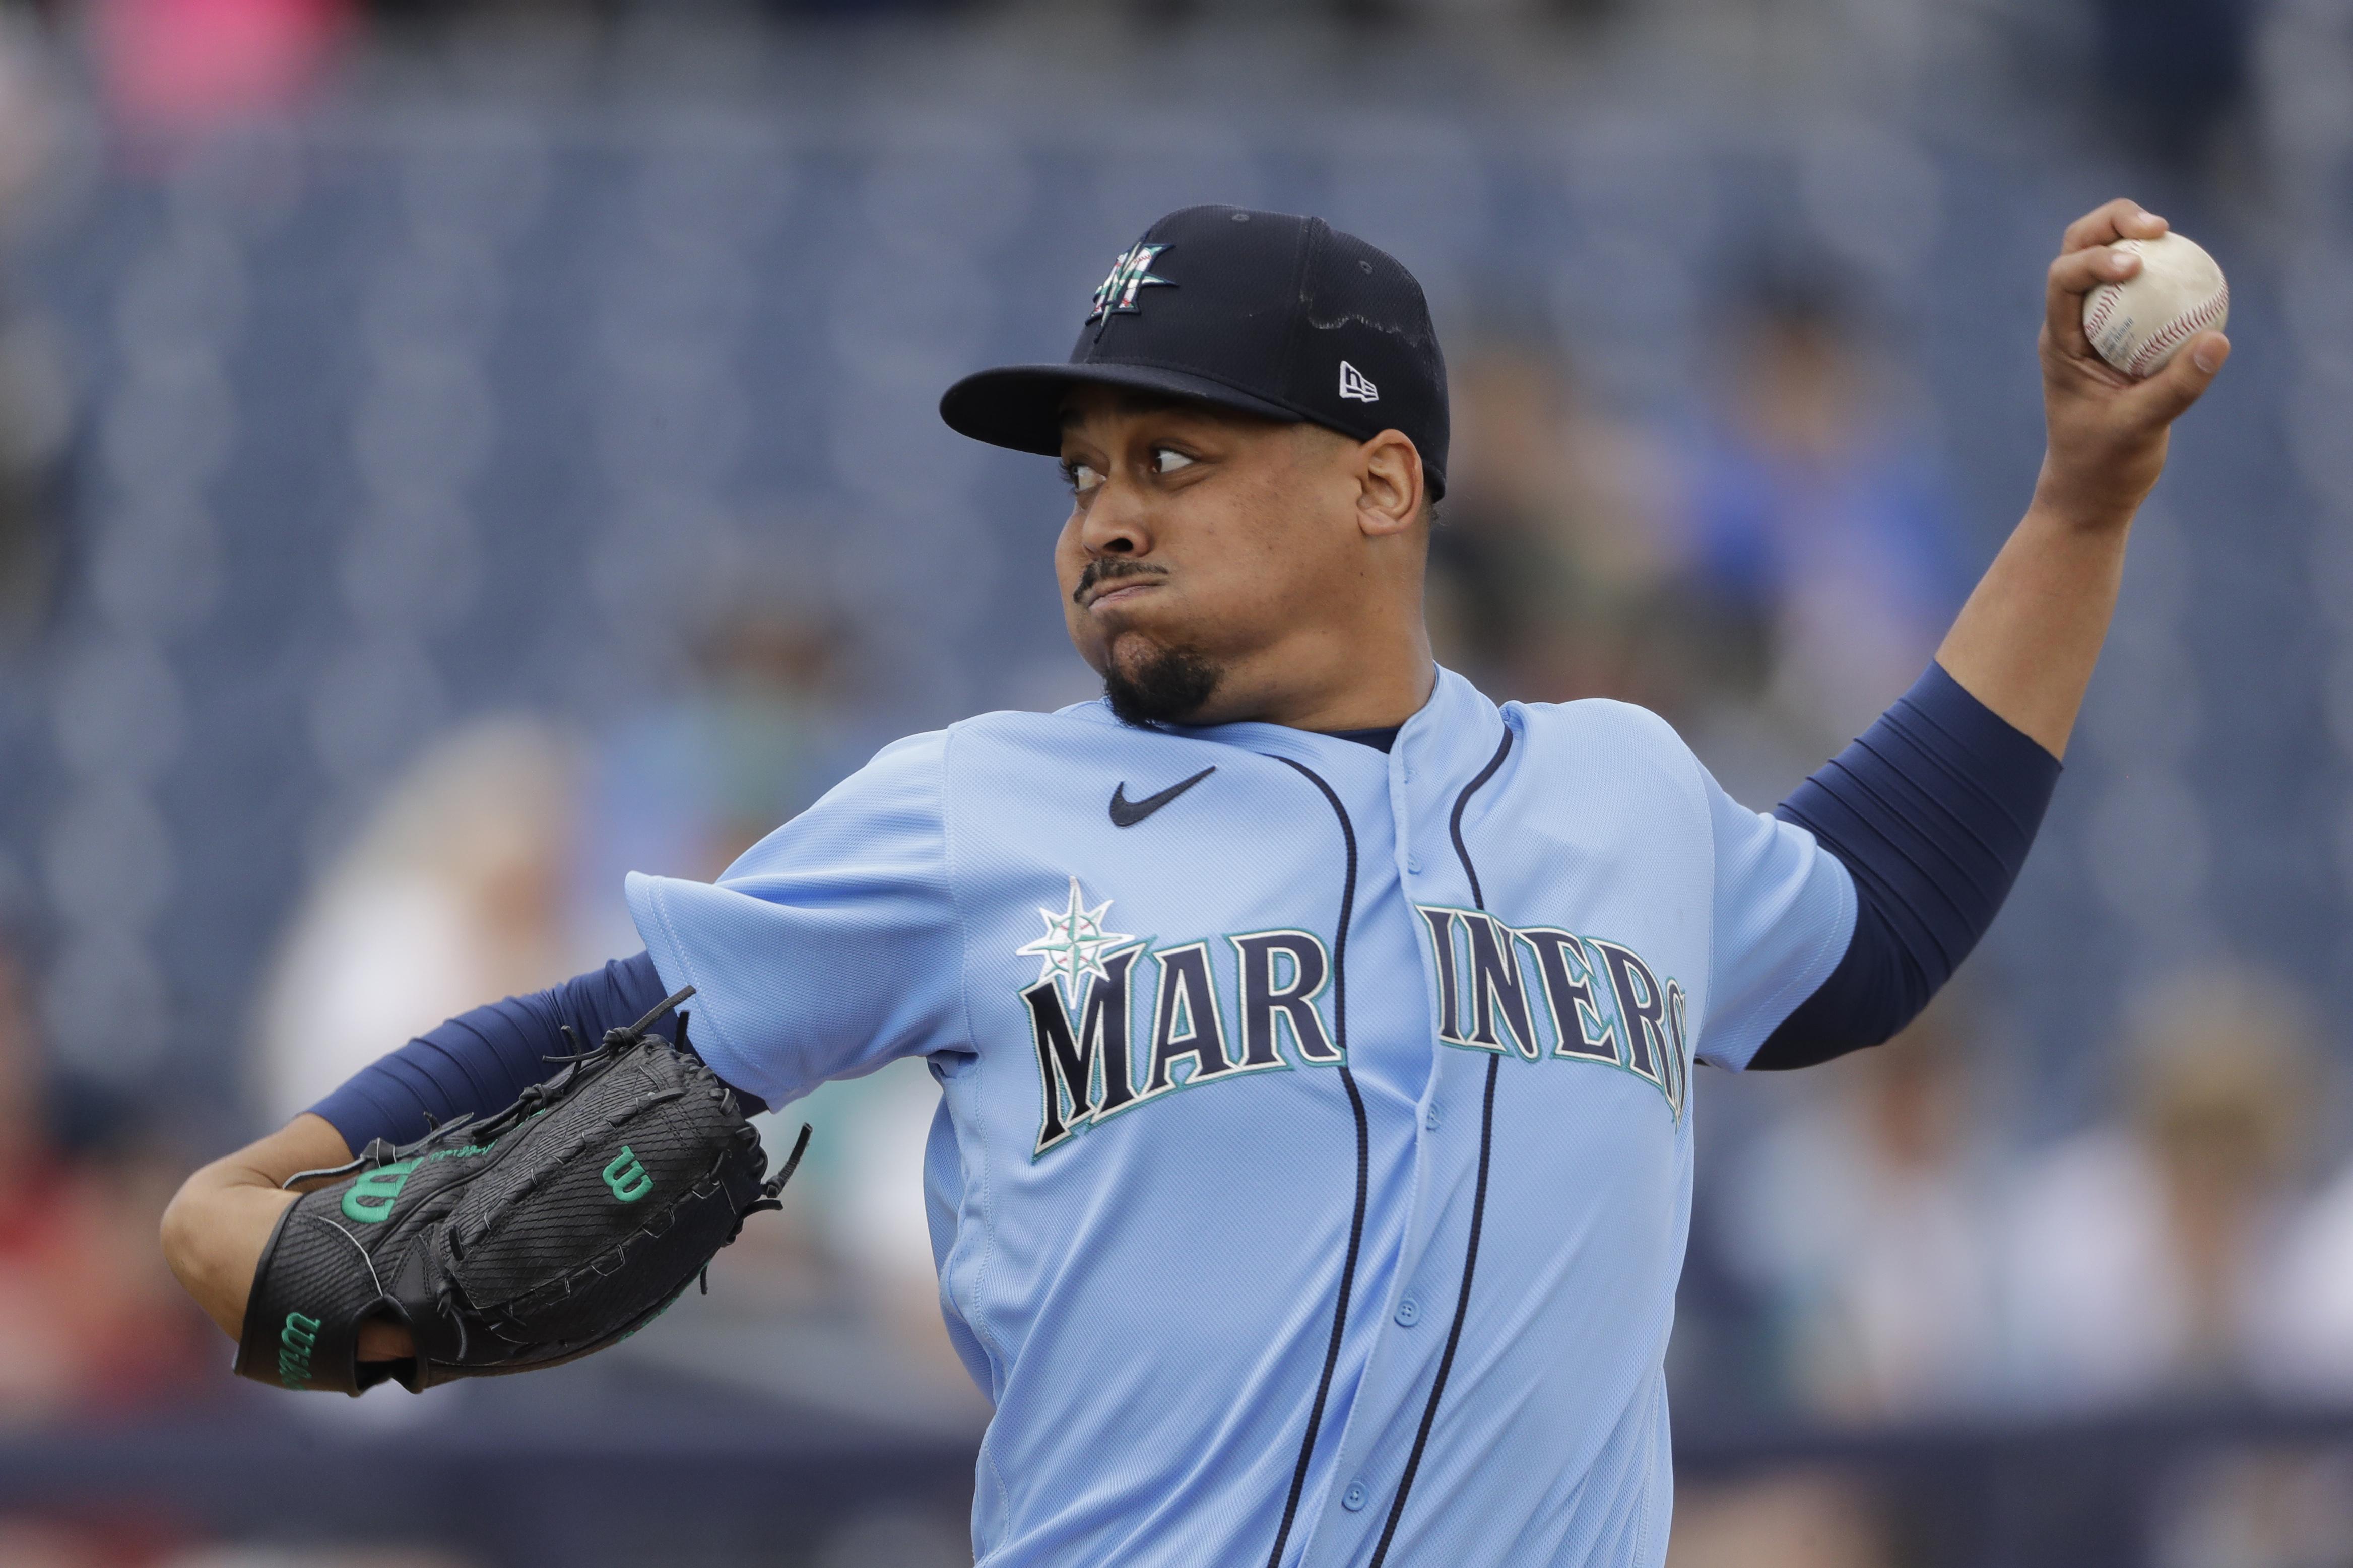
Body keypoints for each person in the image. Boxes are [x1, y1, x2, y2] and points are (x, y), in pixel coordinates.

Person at [163, 199, 2225, 1566]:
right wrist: (263, 1181)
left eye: (1173, 458)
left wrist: (2080, 501)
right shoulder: (973, 812)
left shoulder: (1620, 792)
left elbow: (1873, 925)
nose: (1101, 519)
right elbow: (621, 1026)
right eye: (1082, 475)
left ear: (1379, 483)